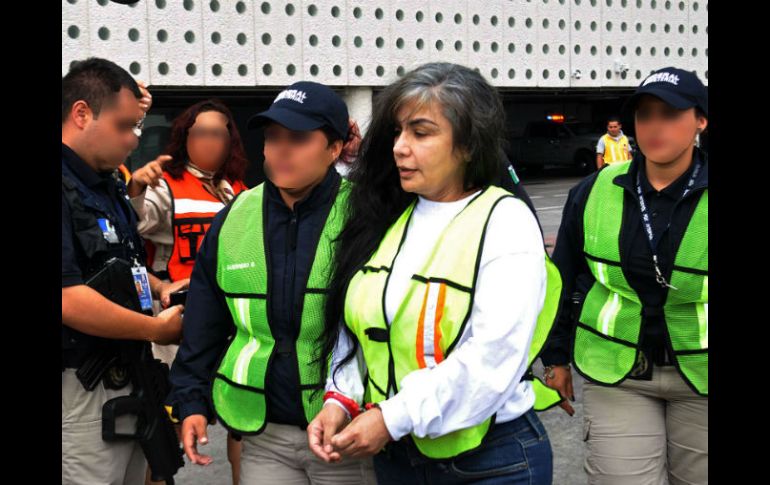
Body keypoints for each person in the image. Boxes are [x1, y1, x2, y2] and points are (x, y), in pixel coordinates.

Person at [310, 62, 563, 484]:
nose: (399, 147)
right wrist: (340, 399)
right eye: (397, 131)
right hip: (398, 458)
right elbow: (363, 331)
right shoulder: (385, 216)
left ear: (467, 144)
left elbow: (491, 358)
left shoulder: (504, 220)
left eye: (421, 133)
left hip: (493, 462)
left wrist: (390, 418)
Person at [166, 81, 376, 484]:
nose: (281, 149)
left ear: (334, 148)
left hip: (346, 431)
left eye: (298, 138)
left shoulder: (365, 216)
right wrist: (191, 399)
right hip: (264, 436)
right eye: (273, 137)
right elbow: (205, 321)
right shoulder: (234, 217)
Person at [541, 66, 708, 484]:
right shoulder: (594, 189)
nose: (654, 126)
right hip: (618, 372)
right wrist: (556, 357)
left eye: (670, 114)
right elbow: (562, 275)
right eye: (645, 115)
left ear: (701, 120)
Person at [62, 57, 183, 485]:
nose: (135, 139)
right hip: (80, 385)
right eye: (124, 125)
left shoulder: (106, 182)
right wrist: (156, 330)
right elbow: (68, 298)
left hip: (128, 373)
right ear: (81, 114)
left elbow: (120, 261)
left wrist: (162, 287)